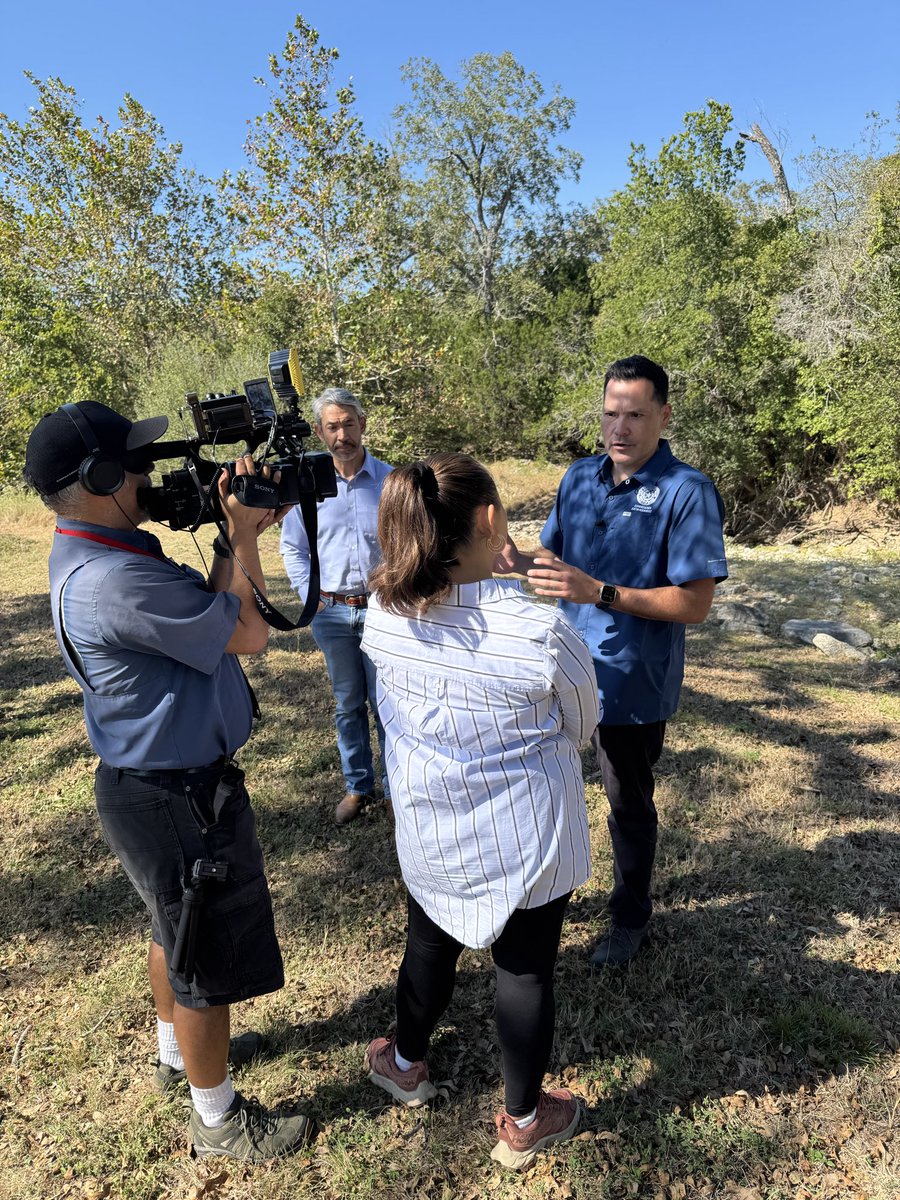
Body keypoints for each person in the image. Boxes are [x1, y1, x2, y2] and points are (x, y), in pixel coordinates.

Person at [22, 401, 312, 1162]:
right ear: (102, 476)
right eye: (137, 463)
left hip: (150, 785)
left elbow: (213, 614)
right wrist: (245, 535)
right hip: (177, 794)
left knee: (173, 932)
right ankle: (217, 1121)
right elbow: (245, 633)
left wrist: (230, 535)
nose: (152, 474)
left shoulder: (96, 554)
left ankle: (175, 1058)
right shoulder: (115, 582)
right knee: (204, 966)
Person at [359, 453, 599, 1171]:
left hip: (431, 823)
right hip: (529, 835)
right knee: (524, 972)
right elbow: (584, 720)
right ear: (491, 521)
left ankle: (404, 1061)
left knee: (428, 945)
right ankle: (524, 1120)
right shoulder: (539, 630)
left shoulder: (381, 612)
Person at [496, 356, 728, 967]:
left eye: (634, 415)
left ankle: (630, 917)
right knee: (542, 787)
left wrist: (598, 591)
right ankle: (538, 897)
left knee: (627, 801)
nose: (619, 429)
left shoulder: (687, 492)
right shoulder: (578, 477)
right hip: (559, 668)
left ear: (663, 416)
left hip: (631, 684)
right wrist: (514, 560)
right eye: (610, 415)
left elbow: (695, 603)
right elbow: (553, 564)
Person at [280, 387, 392, 825]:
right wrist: (312, 598)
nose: (342, 434)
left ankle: (394, 787)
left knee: (388, 704)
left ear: (362, 424)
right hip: (331, 612)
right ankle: (358, 786)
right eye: (332, 426)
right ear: (318, 432)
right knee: (348, 703)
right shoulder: (307, 486)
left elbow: (409, 544)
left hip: (385, 612)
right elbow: (294, 548)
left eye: (348, 423)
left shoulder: (392, 481)